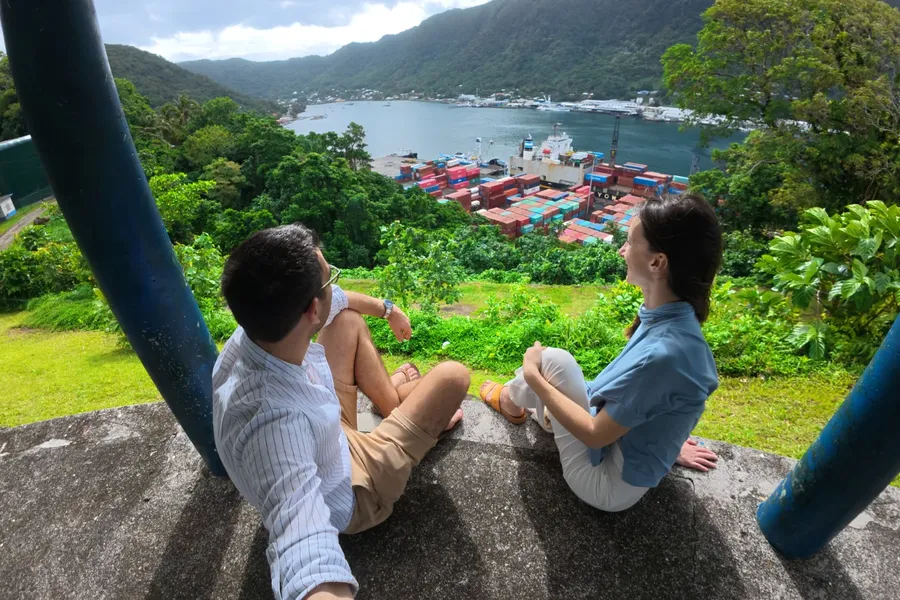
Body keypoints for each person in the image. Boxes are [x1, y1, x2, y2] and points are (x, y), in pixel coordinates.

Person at [212, 224, 468, 600]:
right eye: (330, 276)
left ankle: (392, 407)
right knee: (452, 377)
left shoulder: (250, 331)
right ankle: (402, 416)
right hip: (354, 486)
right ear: (312, 309)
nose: (334, 284)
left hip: (327, 429)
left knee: (346, 321)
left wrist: (389, 310)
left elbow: (338, 301)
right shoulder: (275, 427)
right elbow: (303, 548)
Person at [480, 194, 722, 512]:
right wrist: (668, 446)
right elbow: (664, 405)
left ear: (657, 262)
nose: (622, 250)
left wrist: (532, 376)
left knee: (552, 361)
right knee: (561, 370)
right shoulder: (675, 319)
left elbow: (595, 435)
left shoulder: (664, 354)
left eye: (630, 242)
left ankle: (511, 399)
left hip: (605, 485)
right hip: (625, 455)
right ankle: (525, 402)